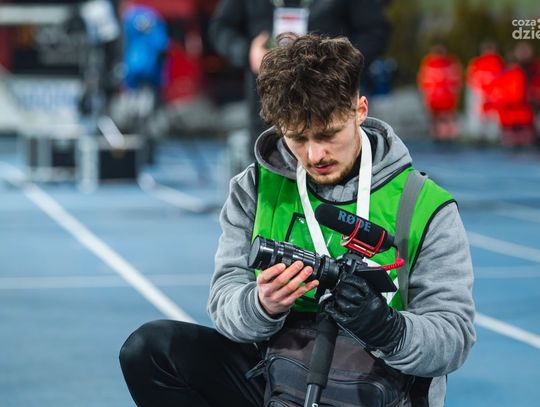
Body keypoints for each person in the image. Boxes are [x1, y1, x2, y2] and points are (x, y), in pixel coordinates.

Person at [119, 34, 475, 406]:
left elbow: (453, 337)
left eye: (328, 134)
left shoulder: (424, 205)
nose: (315, 154)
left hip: (380, 387)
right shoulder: (254, 189)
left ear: (360, 110)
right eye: (298, 138)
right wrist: (261, 304)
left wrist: (388, 328)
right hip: (280, 377)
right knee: (150, 351)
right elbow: (225, 304)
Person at [208, 0, 390, 167]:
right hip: (268, 106)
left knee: (339, 170)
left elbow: (375, 32)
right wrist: (247, 53)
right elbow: (220, 28)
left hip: (331, 102)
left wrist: (334, 63)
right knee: (270, 171)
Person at [417, 44, 462, 141]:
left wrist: (425, 100)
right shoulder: (450, 63)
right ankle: (451, 137)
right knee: (448, 119)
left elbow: (423, 84)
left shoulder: (428, 64)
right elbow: (456, 83)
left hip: (434, 98)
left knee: (436, 121)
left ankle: (437, 138)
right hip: (448, 97)